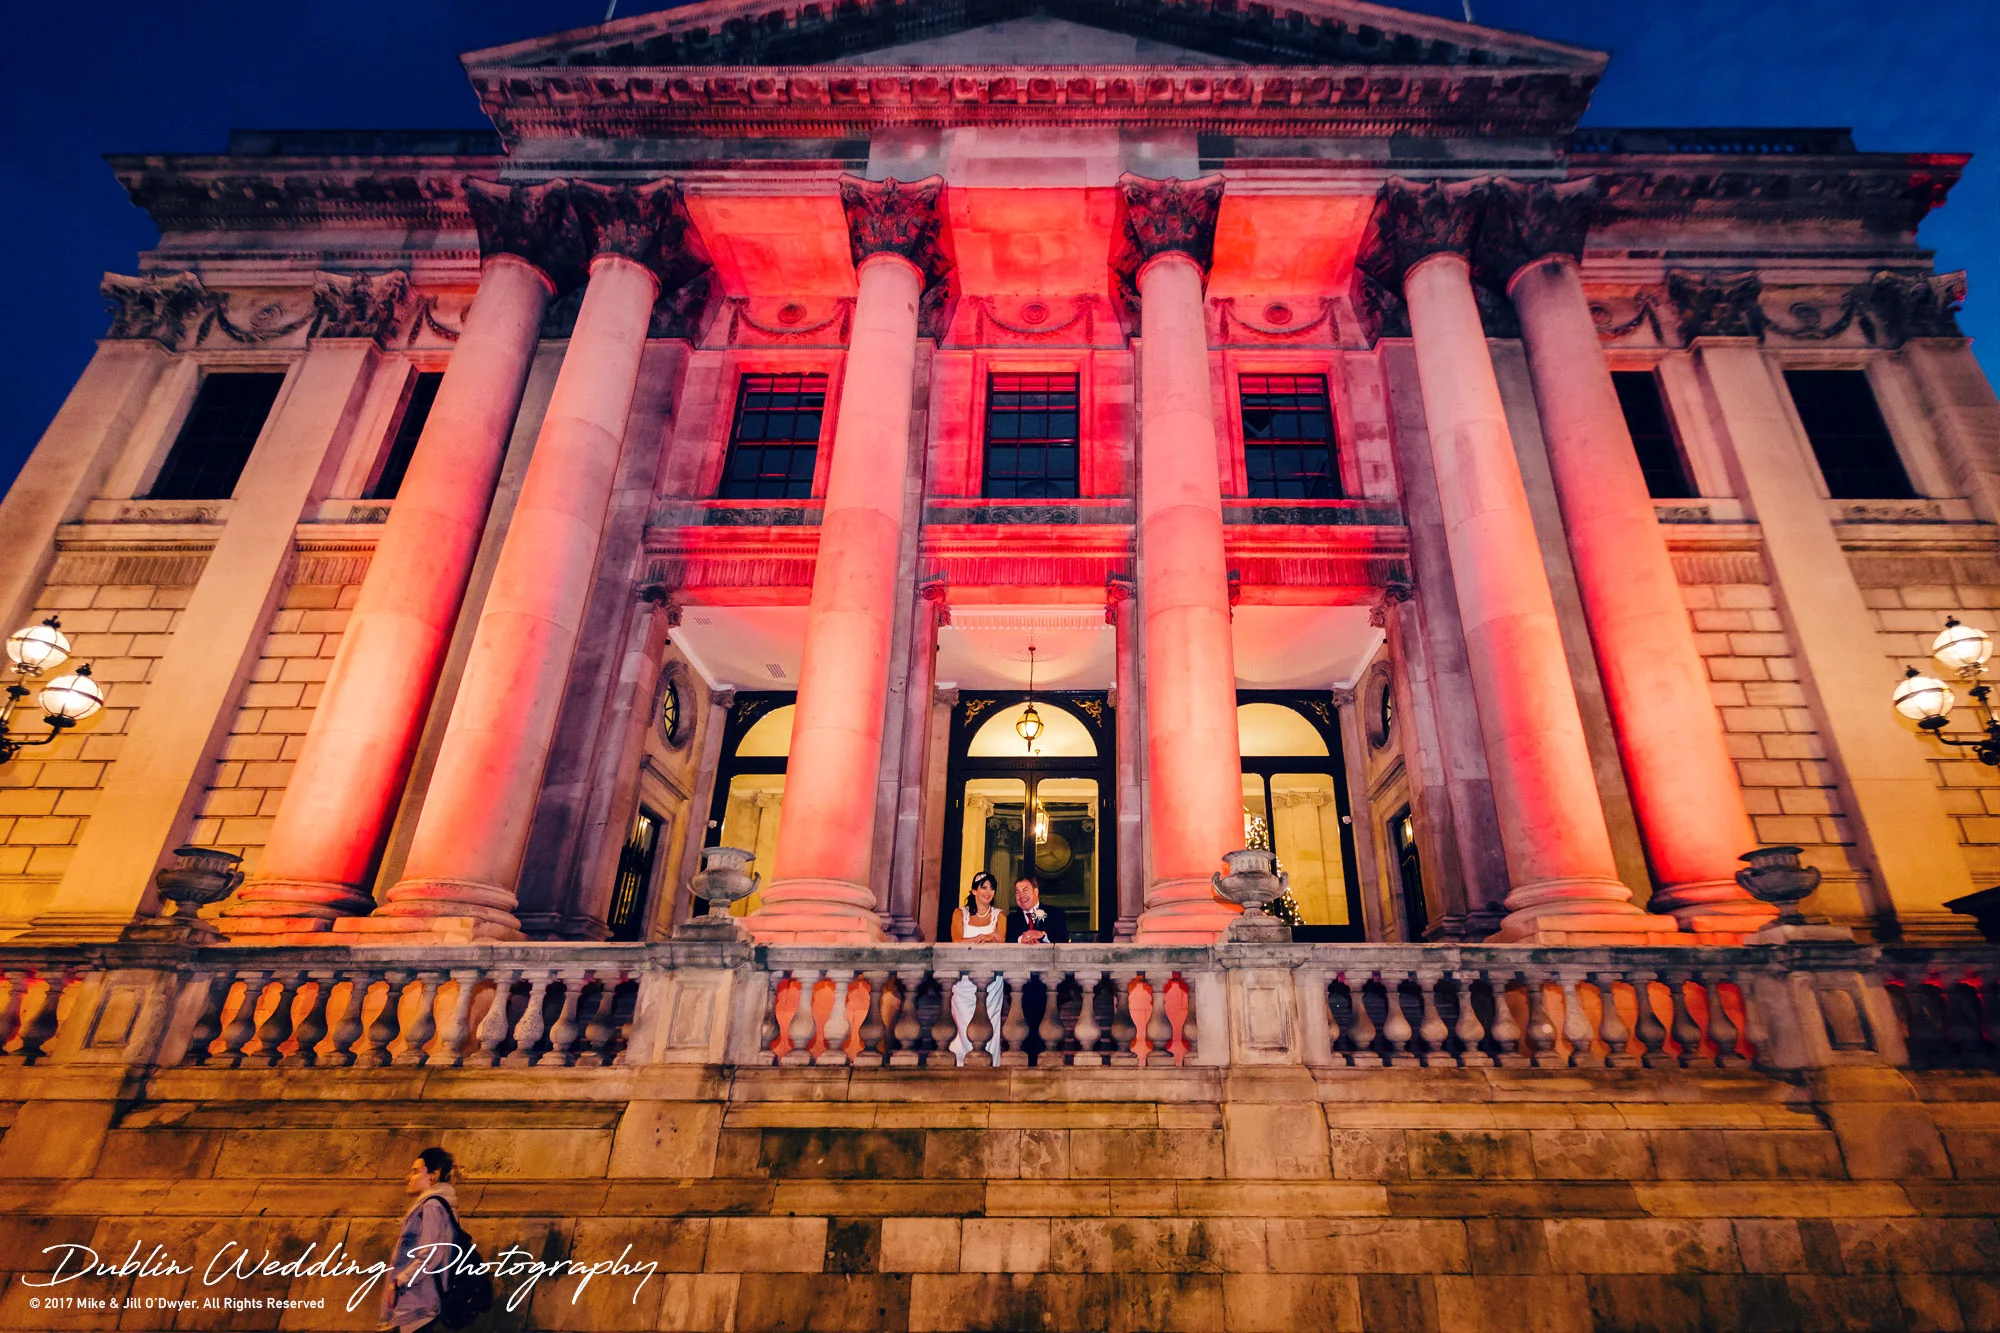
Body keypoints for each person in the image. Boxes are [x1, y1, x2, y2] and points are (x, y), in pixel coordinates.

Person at [379, 1147, 459, 1333]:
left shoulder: (432, 1205)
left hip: (418, 1304)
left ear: (433, 1175)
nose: (408, 1177)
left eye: (415, 1172)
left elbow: (431, 1252)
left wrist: (400, 1281)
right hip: (420, 1301)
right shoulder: (439, 1204)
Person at [947, 872, 1005, 1064]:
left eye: (991, 887)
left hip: (992, 980)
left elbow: (1001, 939)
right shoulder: (959, 913)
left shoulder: (1000, 915)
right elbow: (956, 940)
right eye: (983, 887)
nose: (988, 891)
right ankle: (961, 1062)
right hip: (964, 980)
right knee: (963, 1023)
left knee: (991, 1021)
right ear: (974, 890)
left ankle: (990, 1063)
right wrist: (984, 938)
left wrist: (992, 938)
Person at [1007, 873, 1069, 944]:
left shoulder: (1055, 914)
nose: (1021, 896)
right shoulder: (1010, 920)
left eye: (1025, 890)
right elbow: (1006, 942)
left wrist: (1042, 935)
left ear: (1036, 891)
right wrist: (1021, 939)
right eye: (1018, 892)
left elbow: (1063, 940)